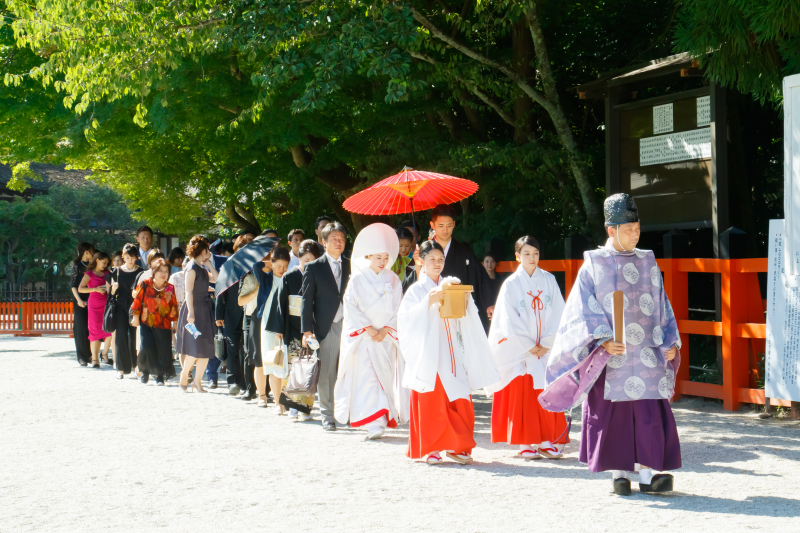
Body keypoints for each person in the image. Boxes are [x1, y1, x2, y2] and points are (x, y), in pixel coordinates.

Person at [540, 193, 682, 496]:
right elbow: (581, 308)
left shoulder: (647, 261)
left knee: (648, 413)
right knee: (614, 416)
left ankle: (648, 475)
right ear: (611, 230)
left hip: (646, 351)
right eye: (628, 228)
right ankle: (619, 474)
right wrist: (603, 340)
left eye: (637, 228)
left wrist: (670, 341)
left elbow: (662, 305)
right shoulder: (593, 264)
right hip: (612, 355)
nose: (635, 233)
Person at [399, 240, 499, 464]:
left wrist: (465, 302)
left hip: (452, 349)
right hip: (431, 352)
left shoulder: (452, 284)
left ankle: (457, 446)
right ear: (421, 261)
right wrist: (428, 301)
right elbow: (405, 321)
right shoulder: (416, 290)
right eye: (432, 259)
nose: (437, 263)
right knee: (433, 400)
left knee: (459, 395)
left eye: (440, 259)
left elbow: (465, 317)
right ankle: (431, 448)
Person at [486, 236, 568, 460]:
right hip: (521, 350)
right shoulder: (511, 284)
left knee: (545, 392)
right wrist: (528, 345)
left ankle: (546, 439)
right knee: (523, 395)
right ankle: (525, 441)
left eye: (535, 253)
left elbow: (559, 313)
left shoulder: (549, 280)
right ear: (517, 256)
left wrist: (548, 342)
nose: (532, 258)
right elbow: (507, 319)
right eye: (526, 254)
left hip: (545, 348)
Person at [335, 224, 405, 439]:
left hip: (384, 337)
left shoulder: (393, 279)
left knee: (383, 376)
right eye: (378, 258)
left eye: (385, 257)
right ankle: (371, 421)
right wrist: (367, 328)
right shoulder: (356, 278)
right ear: (368, 256)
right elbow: (350, 306)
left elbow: (399, 308)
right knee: (366, 378)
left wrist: (385, 329)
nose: (383, 262)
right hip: (365, 337)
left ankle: (381, 420)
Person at [301, 221, 351, 431]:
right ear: (323, 242)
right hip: (326, 325)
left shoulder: (352, 264)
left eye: (341, 238)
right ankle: (327, 414)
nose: (338, 242)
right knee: (328, 371)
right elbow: (306, 300)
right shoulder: (314, 267)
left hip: (350, 324)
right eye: (333, 239)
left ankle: (345, 412)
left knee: (347, 370)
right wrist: (307, 330)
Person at [277, 239, 321, 420]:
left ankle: (303, 408)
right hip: (293, 327)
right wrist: (279, 329)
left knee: (309, 367)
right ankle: (292, 407)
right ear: (299, 258)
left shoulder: (318, 276)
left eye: (312, 260)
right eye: (305, 260)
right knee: (294, 368)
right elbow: (280, 304)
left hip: (312, 328)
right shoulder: (289, 277)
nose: (308, 264)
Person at [428, 204, 494, 323]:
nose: (445, 230)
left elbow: (480, 277)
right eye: (441, 226)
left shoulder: (464, 252)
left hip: (458, 310)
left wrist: (489, 302)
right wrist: (418, 262)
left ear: (454, 224)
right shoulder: (424, 252)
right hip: (432, 311)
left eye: (449, 225)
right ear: (432, 225)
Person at [176, 235, 219, 392]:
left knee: (206, 349)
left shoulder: (201, 267)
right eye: (207, 251)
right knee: (194, 349)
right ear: (203, 250)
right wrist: (191, 313)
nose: (209, 253)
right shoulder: (191, 268)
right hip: (193, 310)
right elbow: (188, 292)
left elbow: (218, 278)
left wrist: (208, 263)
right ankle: (184, 375)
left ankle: (197, 381)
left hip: (205, 309)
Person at [130, 258, 179, 386]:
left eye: (166, 271)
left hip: (164, 323)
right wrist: (135, 317)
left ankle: (160, 377)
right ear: (154, 272)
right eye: (160, 271)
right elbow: (136, 301)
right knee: (146, 347)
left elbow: (173, 305)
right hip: (147, 322)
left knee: (162, 350)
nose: (163, 274)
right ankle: (145, 371)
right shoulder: (145, 284)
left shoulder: (169, 287)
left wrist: (175, 322)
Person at [214, 233, 253, 395]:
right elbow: (220, 291)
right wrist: (219, 314)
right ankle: (232, 381)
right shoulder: (229, 264)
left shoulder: (256, 265)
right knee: (232, 347)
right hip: (231, 311)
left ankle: (245, 382)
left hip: (250, 311)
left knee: (246, 349)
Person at [259, 246, 292, 411]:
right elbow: (255, 267)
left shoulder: (290, 279)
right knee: (273, 363)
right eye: (278, 265)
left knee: (285, 365)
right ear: (272, 263)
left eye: (285, 266)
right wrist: (268, 263)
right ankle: (278, 403)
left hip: (285, 326)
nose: (282, 269)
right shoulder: (266, 279)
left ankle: (285, 401)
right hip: (268, 326)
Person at [238, 255, 269, 402]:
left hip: (269, 318)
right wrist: (256, 290)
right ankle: (251, 388)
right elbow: (240, 301)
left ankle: (267, 390)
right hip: (251, 317)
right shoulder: (249, 277)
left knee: (268, 354)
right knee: (251, 354)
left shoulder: (274, 275)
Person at [110, 244, 142, 379]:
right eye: (127, 257)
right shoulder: (116, 271)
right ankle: (120, 368)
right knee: (121, 336)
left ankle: (136, 366)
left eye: (132, 257)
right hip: (121, 306)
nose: (130, 260)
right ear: (123, 257)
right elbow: (111, 293)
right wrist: (113, 288)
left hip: (136, 306)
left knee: (135, 336)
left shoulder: (140, 271)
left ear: (136, 257)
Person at [78, 251, 112, 368]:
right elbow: (80, 289)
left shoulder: (108, 273)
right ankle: (95, 359)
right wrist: (95, 289)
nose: (105, 265)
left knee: (109, 329)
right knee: (94, 332)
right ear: (97, 260)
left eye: (107, 263)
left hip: (106, 304)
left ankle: (104, 352)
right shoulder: (89, 274)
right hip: (93, 305)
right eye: (104, 262)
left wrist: (108, 289)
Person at [70, 242, 95, 366]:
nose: (93, 253)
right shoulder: (77, 266)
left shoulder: (93, 266)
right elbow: (73, 286)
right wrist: (79, 300)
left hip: (92, 299)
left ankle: (91, 354)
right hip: (79, 299)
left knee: (91, 327)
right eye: (91, 251)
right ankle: (81, 357)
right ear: (86, 252)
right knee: (80, 327)